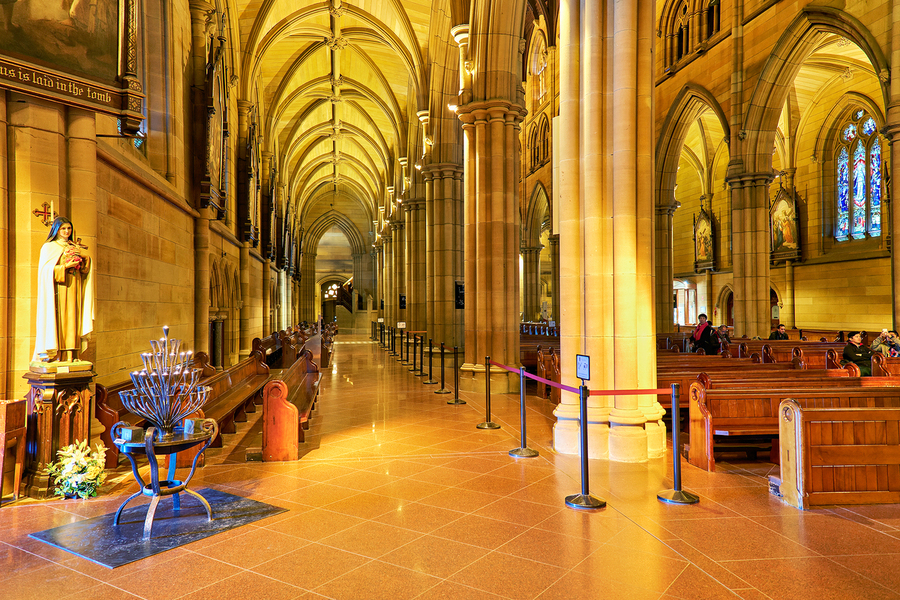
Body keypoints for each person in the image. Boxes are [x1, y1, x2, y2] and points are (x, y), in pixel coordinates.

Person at [33, 216, 94, 363]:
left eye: (69, 228)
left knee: (74, 319)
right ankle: (58, 355)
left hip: (75, 287)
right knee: (61, 320)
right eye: (63, 229)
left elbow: (85, 271)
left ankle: (72, 355)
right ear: (56, 230)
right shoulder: (49, 247)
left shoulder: (74, 247)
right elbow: (45, 271)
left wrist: (85, 260)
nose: (67, 231)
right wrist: (65, 267)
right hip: (59, 291)